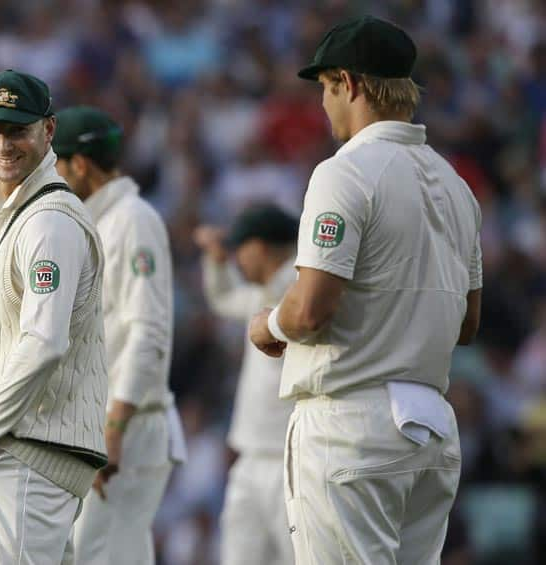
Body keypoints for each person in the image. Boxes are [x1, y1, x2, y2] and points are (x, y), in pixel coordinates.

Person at [249, 16, 483, 564]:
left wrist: (268, 325)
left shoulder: (344, 173)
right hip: (431, 428)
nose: (324, 106)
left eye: (326, 90)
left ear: (348, 84)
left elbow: (309, 311)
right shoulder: (458, 186)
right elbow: (468, 325)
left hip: (351, 426)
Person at [0, 71, 108, 564]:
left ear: (49, 129)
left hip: (25, 456)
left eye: (16, 130)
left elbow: (44, 341)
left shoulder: (48, 221)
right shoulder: (27, 214)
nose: (2, 144)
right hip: (32, 455)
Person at [51, 106, 187, 565]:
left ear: (80, 165)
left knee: (104, 555)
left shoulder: (133, 219)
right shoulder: (96, 222)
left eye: (57, 162)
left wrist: (114, 426)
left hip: (129, 428)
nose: (52, 174)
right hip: (101, 425)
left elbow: (149, 329)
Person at [194, 205, 297, 565]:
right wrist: (217, 262)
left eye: (241, 250)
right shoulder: (264, 292)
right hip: (251, 458)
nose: (238, 259)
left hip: (292, 463)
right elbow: (224, 299)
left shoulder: (300, 292)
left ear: (261, 247)